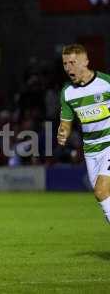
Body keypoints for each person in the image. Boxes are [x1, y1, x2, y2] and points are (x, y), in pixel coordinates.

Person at [57, 44, 110, 222]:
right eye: (65, 63)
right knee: (101, 196)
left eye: (72, 62)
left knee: (101, 191)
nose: (68, 67)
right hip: (91, 150)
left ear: (85, 62)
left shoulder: (105, 83)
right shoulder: (67, 92)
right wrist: (62, 133)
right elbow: (65, 123)